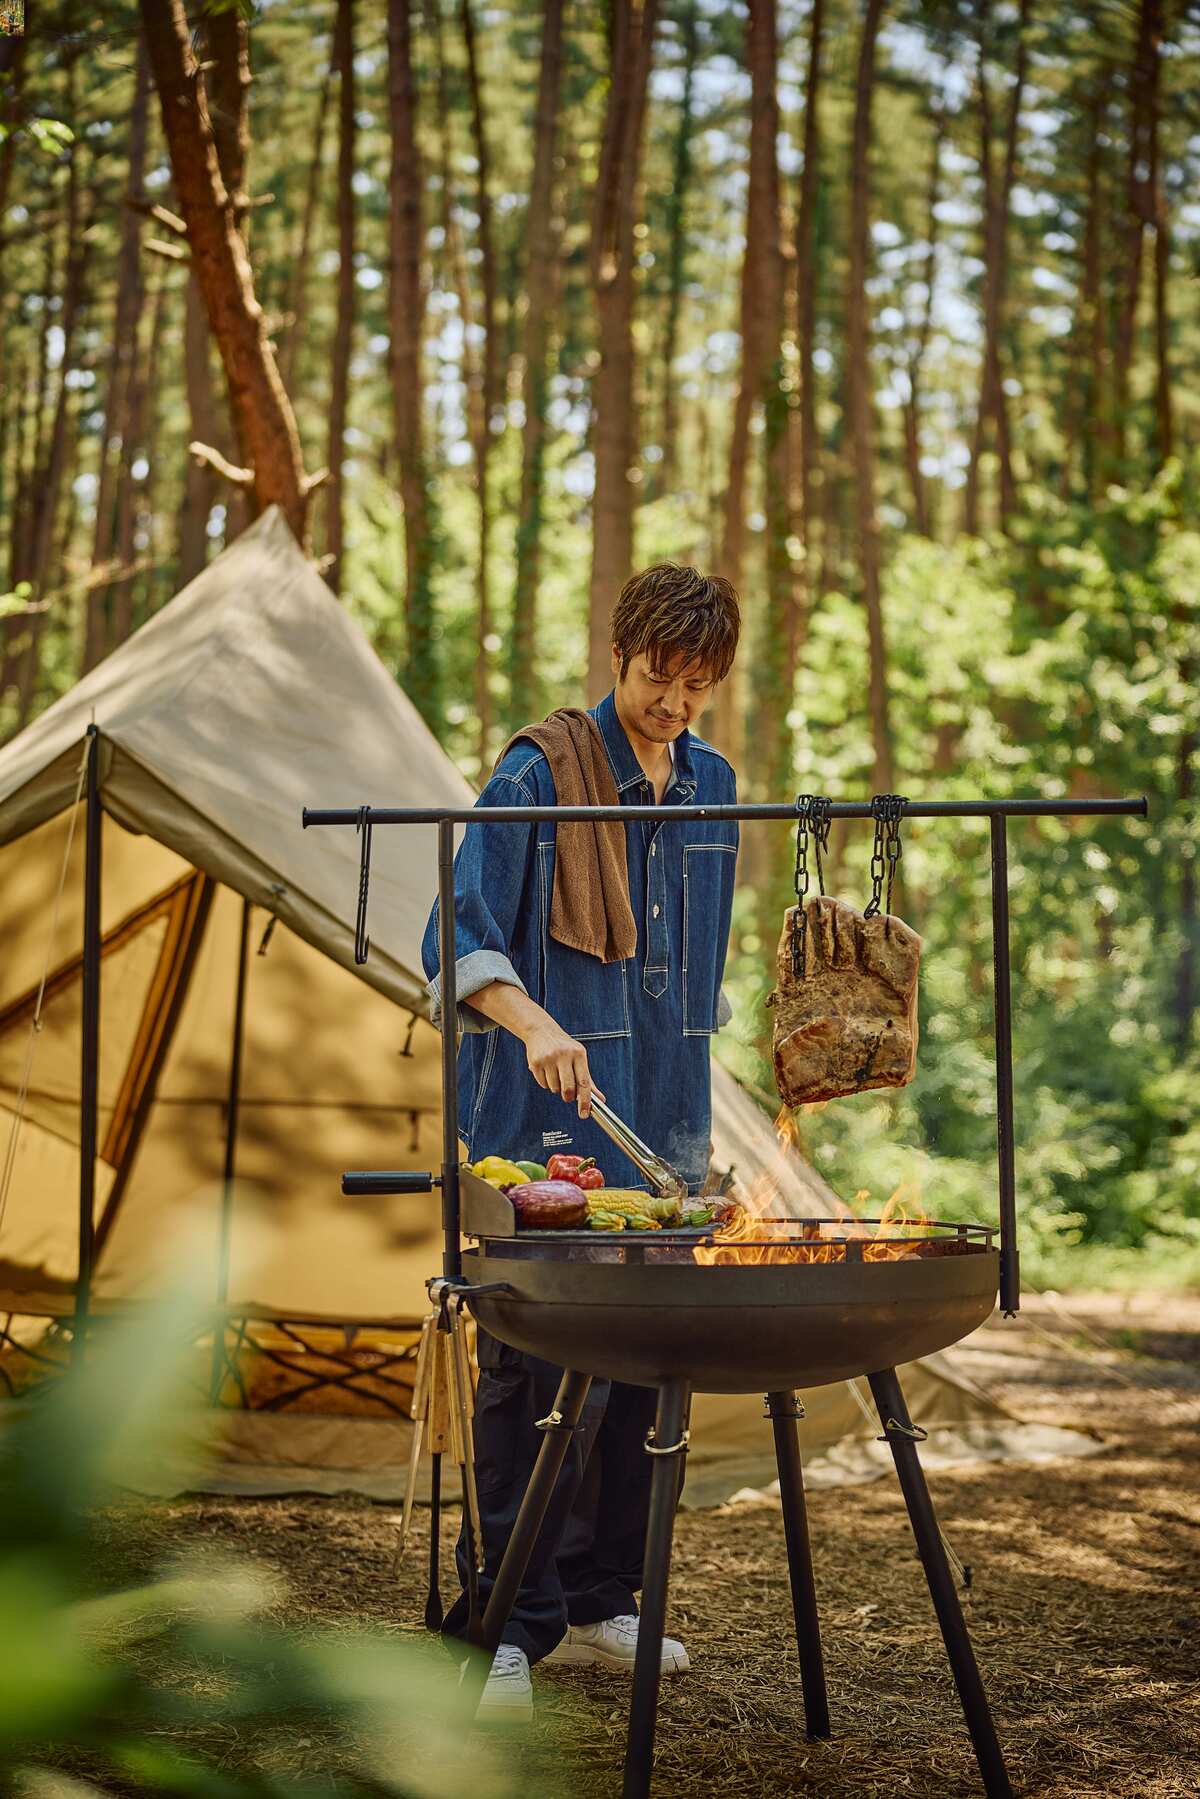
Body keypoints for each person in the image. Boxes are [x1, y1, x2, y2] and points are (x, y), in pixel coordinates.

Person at [420, 562, 740, 1719]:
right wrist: (536, 1021)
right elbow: (452, 934)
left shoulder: (713, 785)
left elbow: (692, 965)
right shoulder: (535, 773)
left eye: (698, 685)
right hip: (543, 1128)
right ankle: (508, 1620)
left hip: (664, 1126)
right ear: (620, 653)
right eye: (660, 675)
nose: (675, 703)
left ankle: (606, 1597)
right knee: (534, 1378)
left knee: (646, 1375)